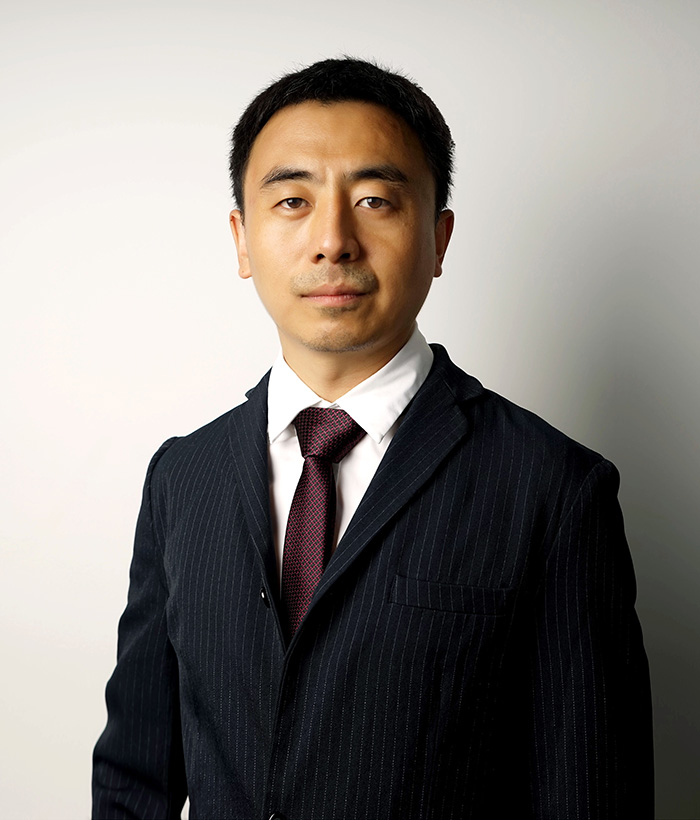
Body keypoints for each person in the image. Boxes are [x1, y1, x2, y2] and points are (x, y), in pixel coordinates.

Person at [92, 58, 654, 820]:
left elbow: (590, 796)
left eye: (375, 201)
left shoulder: (552, 488)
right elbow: (133, 782)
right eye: (293, 201)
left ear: (439, 238)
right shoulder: (182, 477)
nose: (333, 241)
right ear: (242, 239)